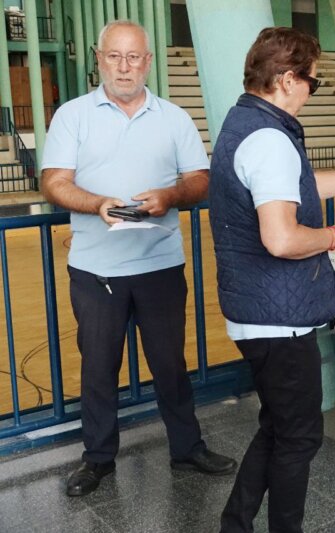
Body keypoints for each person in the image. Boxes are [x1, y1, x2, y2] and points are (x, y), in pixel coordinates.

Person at [208, 27, 335, 533]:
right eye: (313, 83)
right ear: (288, 80)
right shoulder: (271, 139)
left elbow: (296, 185)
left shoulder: (245, 121)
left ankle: (236, 523)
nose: (312, 93)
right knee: (298, 438)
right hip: (278, 318)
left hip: (257, 311)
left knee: (278, 427)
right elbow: (281, 237)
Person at [40, 20, 236, 497]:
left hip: (160, 265)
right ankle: (98, 459)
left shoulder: (174, 117)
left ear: (148, 61)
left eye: (134, 57)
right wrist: (97, 204)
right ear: (98, 57)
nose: (124, 67)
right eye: (114, 56)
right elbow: (54, 181)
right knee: (99, 369)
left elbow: (200, 179)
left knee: (170, 364)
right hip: (96, 268)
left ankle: (187, 448)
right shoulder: (73, 115)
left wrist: (170, 195)